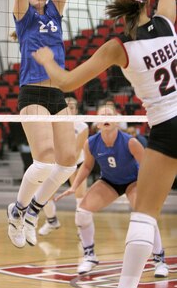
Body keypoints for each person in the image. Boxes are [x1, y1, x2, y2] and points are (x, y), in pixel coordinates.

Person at [32, 0, 177, 288]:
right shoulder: (167, 22)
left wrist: (47, 61)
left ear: (119, 7)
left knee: (144, 216)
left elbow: (66, 81)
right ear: (147, 1)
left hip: (167, 127)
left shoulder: (117, 48)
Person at [7, 0, 78, 249]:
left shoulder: (54, 11)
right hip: (32, 92)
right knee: (45, 158)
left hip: (57, 94)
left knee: (68, 160)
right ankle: (17, 210)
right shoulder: (23, 18)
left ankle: (34, 211)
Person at [56, 104, 168, 278]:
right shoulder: (91, 143)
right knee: (82, 211)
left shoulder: (130, 142)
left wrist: (153, 190)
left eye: (110, 114)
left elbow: (148, 166)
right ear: (97, 123)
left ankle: (159, 260)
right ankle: (90, 256)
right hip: (110, 182)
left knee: (145, 216)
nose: (107, 117)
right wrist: (74, 186)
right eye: (102, 115)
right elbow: (86, 166)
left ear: (118, 121)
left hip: (134, 181)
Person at [38, 96, 89, 236]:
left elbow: (77, 151)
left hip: (76, 163)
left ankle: (81, 228)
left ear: (76, 110)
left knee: (80, 196)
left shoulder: (82, 126)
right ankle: (51, 221)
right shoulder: (53, 123)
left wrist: (67, 170)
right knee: (44, 193)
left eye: (71, 107)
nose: (68, 110)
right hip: (57, 162)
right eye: (65, 107)